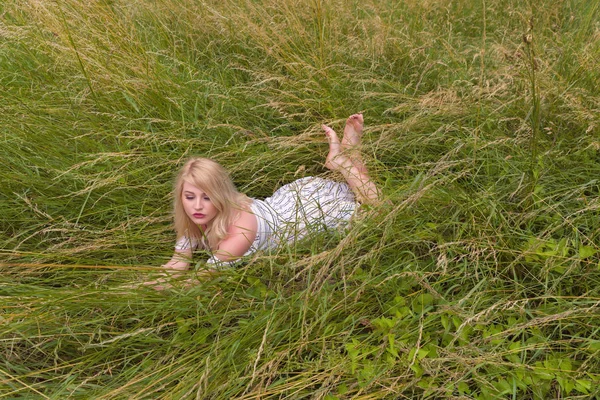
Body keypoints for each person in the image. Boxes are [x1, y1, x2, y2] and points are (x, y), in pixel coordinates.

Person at [159, 113, 380, 276]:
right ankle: (348, 154)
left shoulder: (240, 233)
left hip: (308, 216)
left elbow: (196, 282)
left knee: (379, 208)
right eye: (189, 197)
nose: (197, 206)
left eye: (207, 197)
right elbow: (178, 263)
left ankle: (342, 160)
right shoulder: (198, 215)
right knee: (357, 188)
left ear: (221, 195)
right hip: (293, 199)